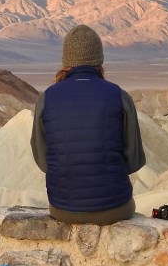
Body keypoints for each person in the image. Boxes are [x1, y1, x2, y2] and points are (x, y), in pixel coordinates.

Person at [30, 24, 146, 225]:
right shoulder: (119, 95)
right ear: (99, 60)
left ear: (67, 61)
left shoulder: (46, 98)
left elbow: (43, 160)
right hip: (115, 208)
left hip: (63, 209)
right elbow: (134, 160)